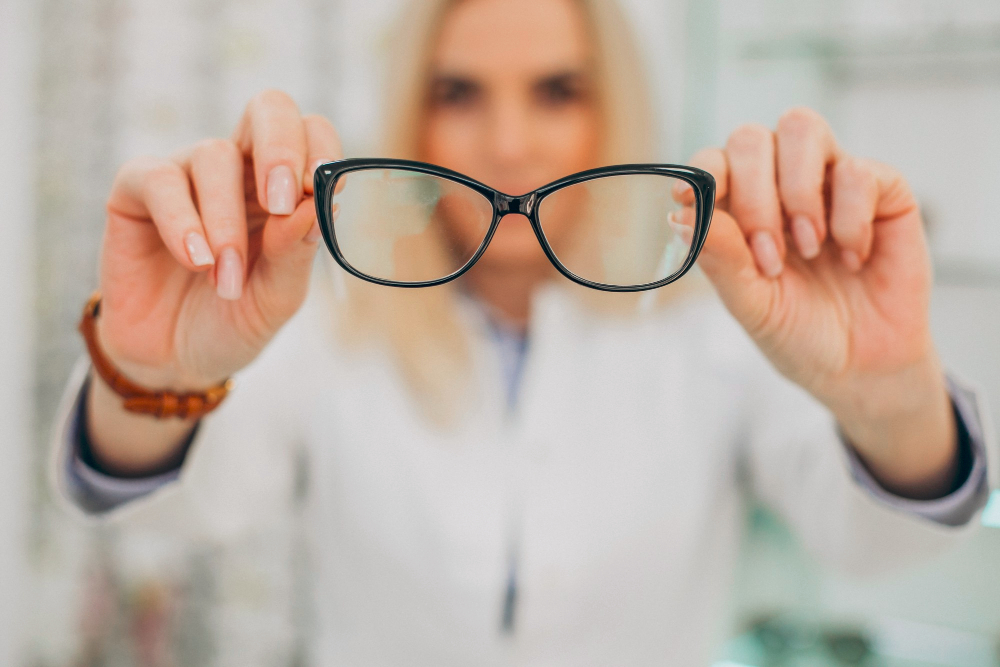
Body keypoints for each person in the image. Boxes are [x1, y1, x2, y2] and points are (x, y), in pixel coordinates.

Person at [52, 0, 992, 664]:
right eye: (459, 91)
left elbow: (880, 541)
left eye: (556, 91)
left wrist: (889, 396)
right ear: (410, 116)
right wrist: (145, 376)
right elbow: (164, 508)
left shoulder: (714, 326)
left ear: (616, 105)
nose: (508, 142)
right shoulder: (324, 324)